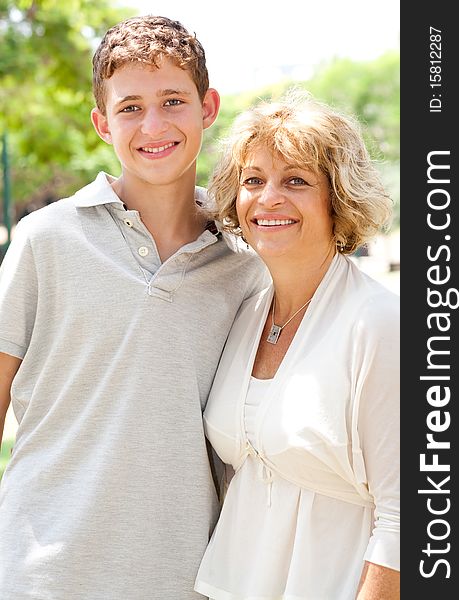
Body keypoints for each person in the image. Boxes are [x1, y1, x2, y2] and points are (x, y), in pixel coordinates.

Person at [0, 15, 266, 600]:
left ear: (208, 106)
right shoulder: (44, 239)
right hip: (42, 575)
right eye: (129, 107)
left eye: (173, 100)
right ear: (101, 123)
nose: (154, 124)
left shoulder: (246, 267)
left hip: (188, 580)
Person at [194, 90, 400, 599]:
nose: (269, 199)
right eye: (253, 181)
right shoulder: (247, 312)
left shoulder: (376, 322)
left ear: (338, 198)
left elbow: (406, 514)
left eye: (296, 181)